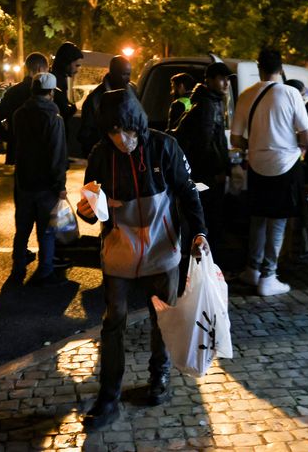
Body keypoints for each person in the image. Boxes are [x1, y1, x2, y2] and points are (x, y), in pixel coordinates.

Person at [77, 89, 208, 429]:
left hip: (162, 250)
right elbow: (92, 207)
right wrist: (87, 210)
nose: (122, 139)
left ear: (138, 123)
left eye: (127, 130)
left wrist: (199, 234)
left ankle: (159, 376)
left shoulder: (165, 147)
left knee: (162, 317)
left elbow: (188, 192)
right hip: (119, 251)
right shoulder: (101, 155)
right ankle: (109, 395)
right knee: (113, 321)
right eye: (112, 132)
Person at [230, 48, 308, 296]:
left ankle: (251, 269)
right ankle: (269, 275)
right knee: (277, 221)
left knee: (257, 217)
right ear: (281, 68)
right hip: (284, 165)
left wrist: (257, 145)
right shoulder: (290, 93)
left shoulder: (246, 95)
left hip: (256, 165)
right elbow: (307, 137)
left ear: (259, 68)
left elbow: (236, 139)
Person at [10, 73, 67, 285]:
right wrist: (60, 184)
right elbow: (57, 154)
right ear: (51, 93)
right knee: (46, 231)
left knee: (22, 228)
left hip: (23, 181)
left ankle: (18, 267)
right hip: (46, 185)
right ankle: (45, 272)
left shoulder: (19, 115)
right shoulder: (54, 118)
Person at [172, 62, 231, 256]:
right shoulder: (207, 104)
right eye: (222, 79)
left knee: (204, 217)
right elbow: (205, 144)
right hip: (206, 175)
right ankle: (205, 264)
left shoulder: (210, 100)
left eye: (227, 79)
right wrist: (215, 173)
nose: (226, 83)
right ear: (210, 80)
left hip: (203, 173)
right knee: (208, 218)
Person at [0, 52, 49, 165]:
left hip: (17, 153)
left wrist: (10, 138)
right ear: (40, 69)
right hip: (40, 154)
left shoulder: (13, 92)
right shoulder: (46, 92)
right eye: (47, 70)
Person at [77, 55, 134, 157]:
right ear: (113, 73)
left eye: (129, 74)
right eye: (125, 74)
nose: (128, 79)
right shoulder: (95, 99)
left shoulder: (132, 92)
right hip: (106, 157)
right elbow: (86, 134)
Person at [50, 42, 83, 145]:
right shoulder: (56, 81)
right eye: (76, 65)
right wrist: (74, 107)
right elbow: (63, 109)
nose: (77, 70)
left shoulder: (58, 78)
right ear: (67, 62)